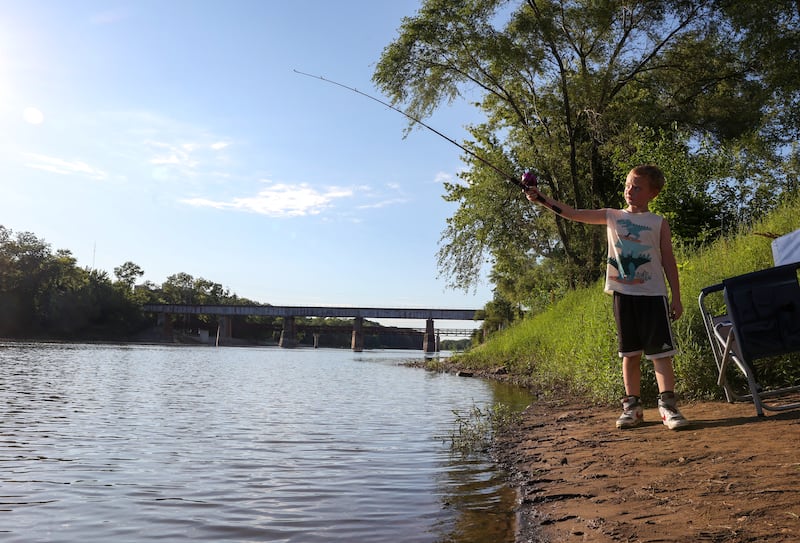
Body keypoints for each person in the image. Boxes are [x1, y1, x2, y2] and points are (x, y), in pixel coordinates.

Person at [523, 165, 690, 430]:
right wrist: (541, 198)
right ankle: (632, 408)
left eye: (637, 187)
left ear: (653, 193)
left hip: (654, 295)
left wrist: (676, 297)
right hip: (623, 295)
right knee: (630, 354)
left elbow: (669, 261)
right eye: (628, 185)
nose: (629, 190)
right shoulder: (612, 216)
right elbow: (573, 214)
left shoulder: (658, 223)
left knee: (662, 354)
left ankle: (668, 407)